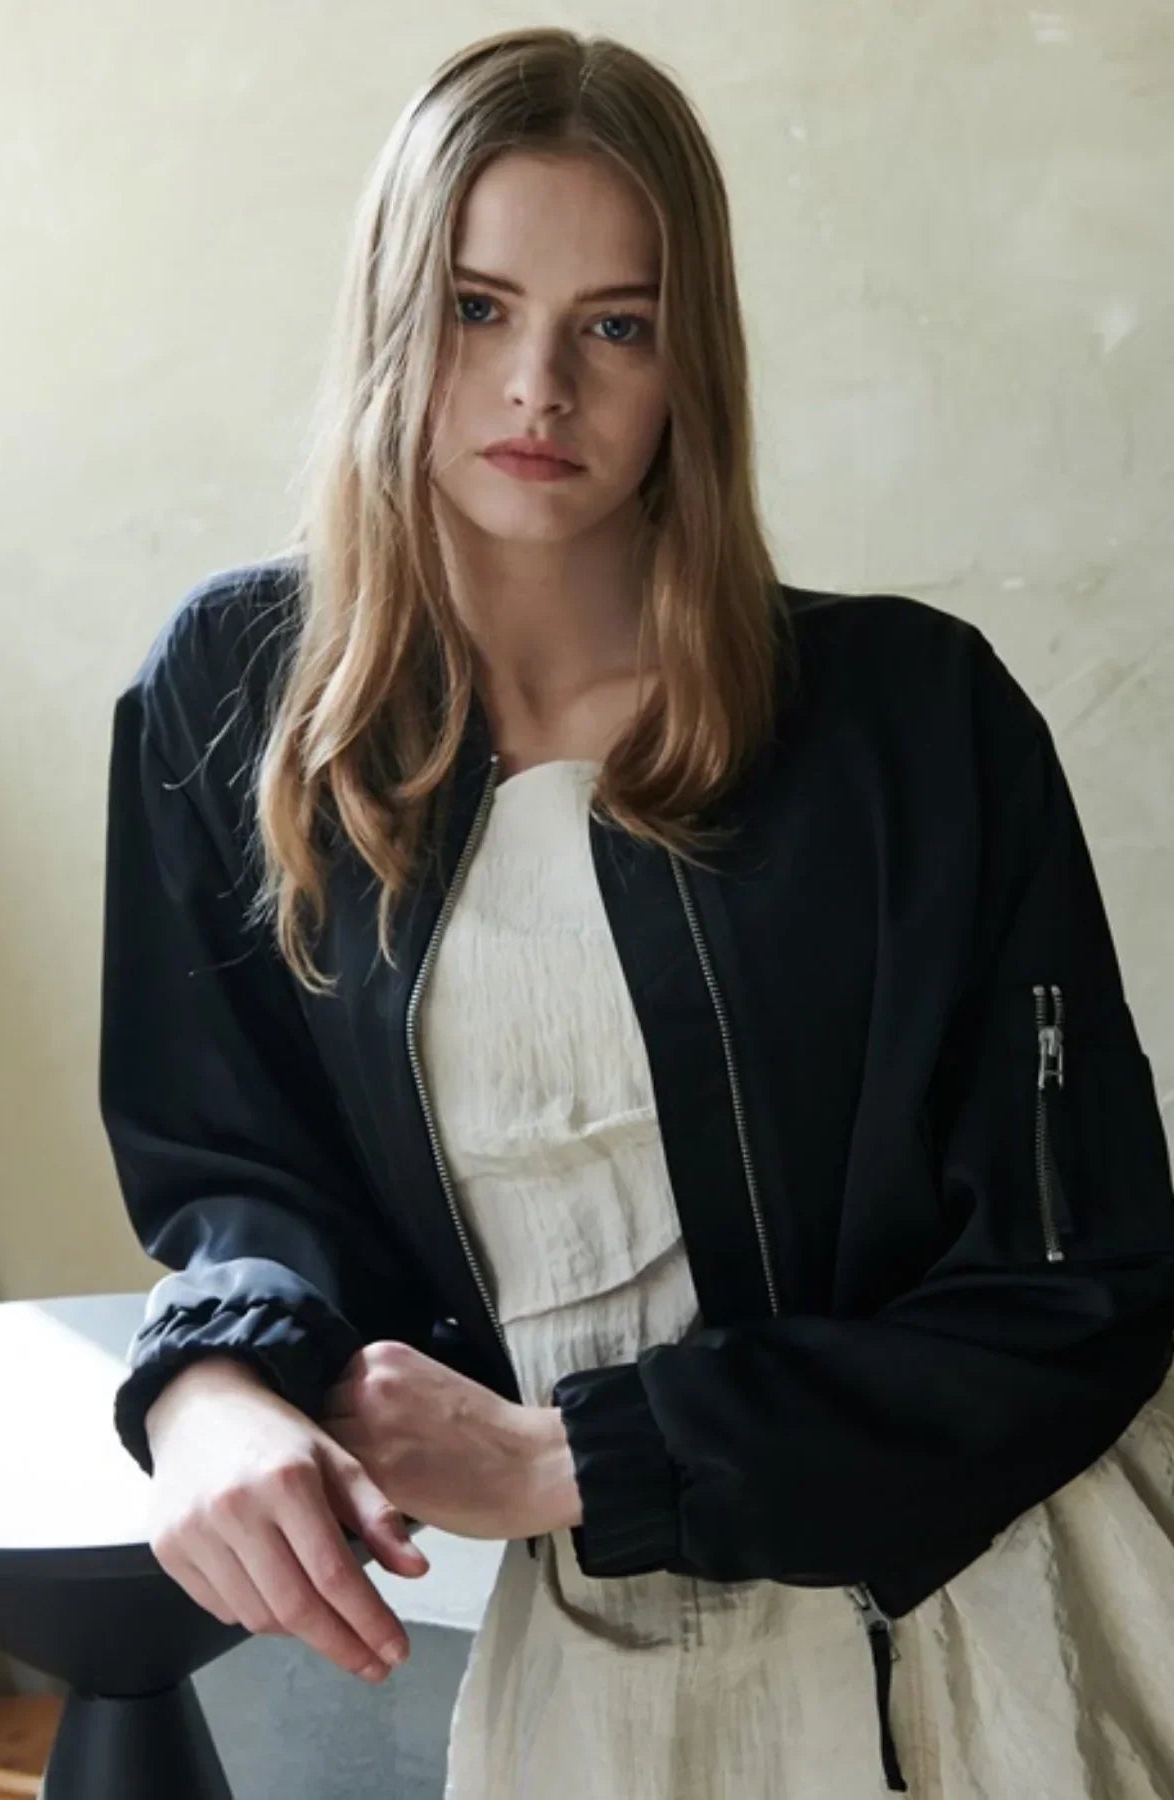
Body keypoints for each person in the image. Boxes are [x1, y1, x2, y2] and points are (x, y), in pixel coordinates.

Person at [99, 27, 1174, 1800]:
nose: (540, 388)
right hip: (594, 1657)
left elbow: (1083, 1286)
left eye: (616, 322)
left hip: (995, 1607)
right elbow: (235, 1170)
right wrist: (208, 1385)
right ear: (390, 316)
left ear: (693, 363)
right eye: (473, 306)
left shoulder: (914, 721)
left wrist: (571, 1459)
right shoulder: (234, 704)